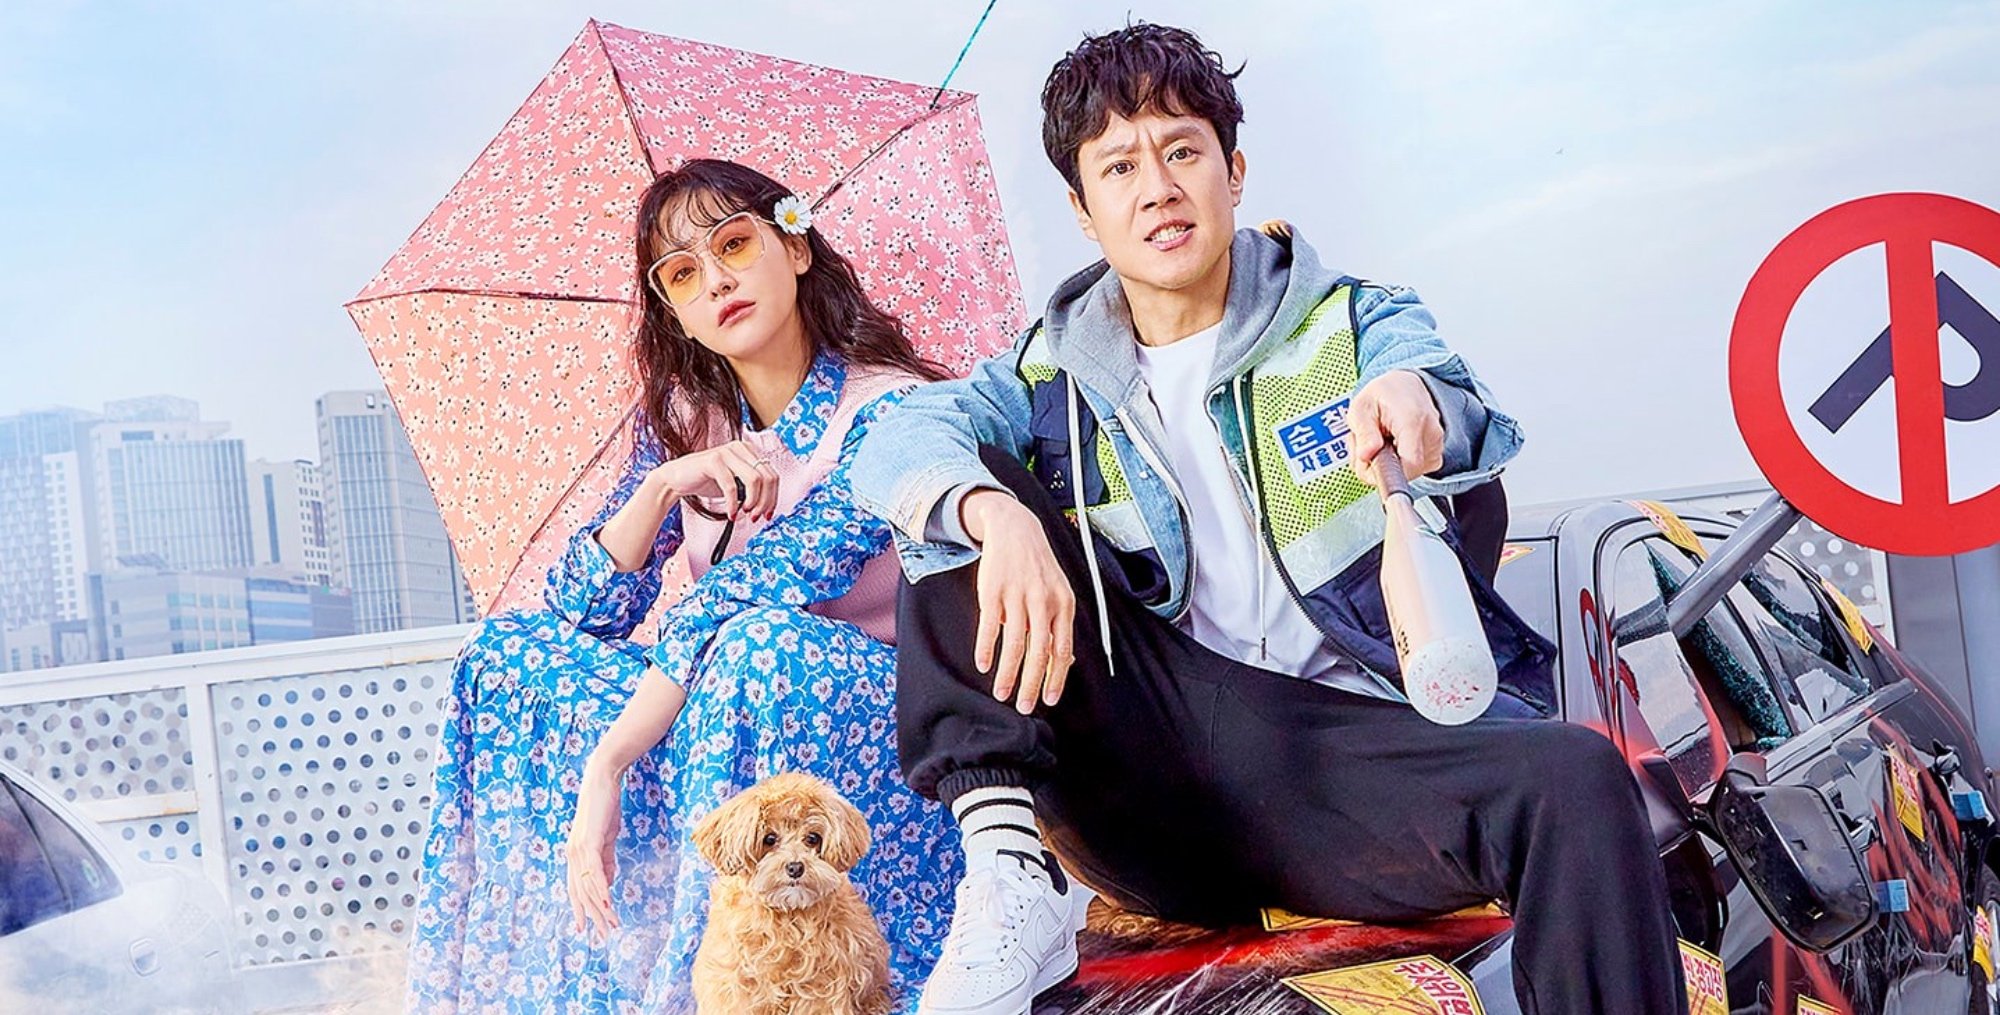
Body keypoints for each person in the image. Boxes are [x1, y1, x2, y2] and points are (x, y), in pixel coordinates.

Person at [850, 23, 1688, 1015]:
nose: (1156, 188)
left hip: (1342, 766)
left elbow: (1451, 401)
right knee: (957, 482)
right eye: (1118, 167)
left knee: (1579, 774)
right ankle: (1008, 874)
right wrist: (997, 513)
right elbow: (896, 443)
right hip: (1149, 772)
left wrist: (1417, 404)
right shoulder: (1043, 375)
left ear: (1233, 172)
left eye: (1181, 151)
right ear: (1082, 210)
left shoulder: (1351, 319)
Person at [409, 158, 961, 1014]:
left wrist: (608, 764)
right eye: (682, 274)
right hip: (713, 696)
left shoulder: (886, 409)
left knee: (759, 643)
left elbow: (749, 594)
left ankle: (725, 983)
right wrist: (663, 485)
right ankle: (569, 981)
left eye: (734, 244)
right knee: (506, 652)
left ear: (796, 248)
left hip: (867, 716)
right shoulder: (684, 421)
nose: (717, 281)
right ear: (673, 311)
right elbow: (583, 612)